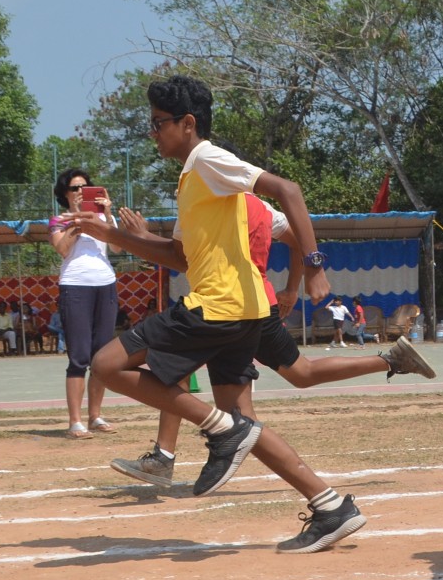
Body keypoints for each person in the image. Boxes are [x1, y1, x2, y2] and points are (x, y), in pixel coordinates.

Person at [74, 75, 359, 548]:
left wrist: (313, 269)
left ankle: (219, 430)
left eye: (159, 124)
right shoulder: (191, 179)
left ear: (188, 124)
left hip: (220, 306)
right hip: (244, 311)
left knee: (105, 364)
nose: (153, 133)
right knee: (239, 420)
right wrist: (111, 237)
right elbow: (179, 257)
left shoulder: (206, 158)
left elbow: (288, 189)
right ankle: (330, 505)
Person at [104, 193, 437, 496]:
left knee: (234, 401)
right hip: (246, 306)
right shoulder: (255, 205)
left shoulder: (204, 204)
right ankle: (324, 497)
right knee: (274, 390)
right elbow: (295, 240)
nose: (183, 184)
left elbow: (185, 258)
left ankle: (165, 455)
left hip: (235, 309)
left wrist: (137, 236)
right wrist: (292, 287)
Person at [49, 168, 119, 437]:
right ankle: (75, 421)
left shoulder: (101, 219)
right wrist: (78, 218)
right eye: (75, 188)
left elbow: (118, 248)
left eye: (85, 187)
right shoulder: (59, 220)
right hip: (75, 286)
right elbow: (63, 249)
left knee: (100, 358)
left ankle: (96, 416)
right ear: (65, 194)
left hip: (105, 284)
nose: (81, 192)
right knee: (78, 356)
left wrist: (108, 214)